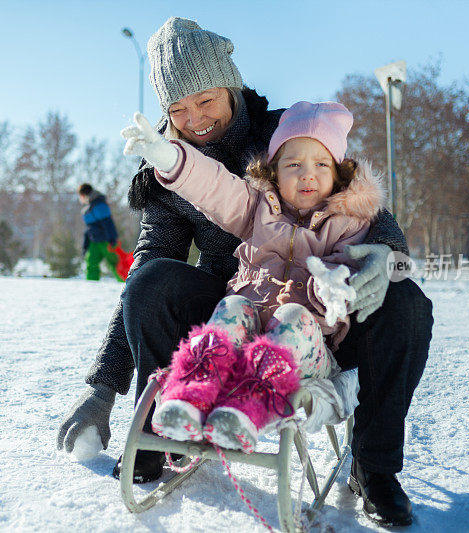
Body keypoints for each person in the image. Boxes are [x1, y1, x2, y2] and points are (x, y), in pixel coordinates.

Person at [57, 17, 432, 528]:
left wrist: (386, 257)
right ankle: (162, 427)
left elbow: (369, 213)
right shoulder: (168, 167)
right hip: (235, 302)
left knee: (406, 299)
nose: (195, 119)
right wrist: (104, 385)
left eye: (205, 100)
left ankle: (375, 465)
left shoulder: (291, 137)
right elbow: (158, 252)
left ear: (230, 84)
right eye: (177, 108)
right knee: (151, 283)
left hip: (322, 314)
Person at [123, 100, 381, 454]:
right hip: (247, 338)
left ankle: (247, 410)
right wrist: (168, 157)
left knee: (293, 316)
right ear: (275, 171)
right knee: (232, 307)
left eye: (321, 164)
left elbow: (353, 268)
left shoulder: (350, 223)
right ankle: (190, 396)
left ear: (338, 173)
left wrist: (335, 286)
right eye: (294, 164)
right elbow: (216, 189)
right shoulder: (259, 208)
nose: (308, 174)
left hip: (308, 352)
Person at [78, 183, 122, 282]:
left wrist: (112, 238)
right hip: (94, 241)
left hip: (106, 240)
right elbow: (89, 229)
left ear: (83, 195)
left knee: (115, 264)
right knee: (91, 264)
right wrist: (85, 245)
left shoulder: (99, 205)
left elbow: (108, 223)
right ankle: (91, 286)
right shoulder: (88, 208)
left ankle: (125, 285)